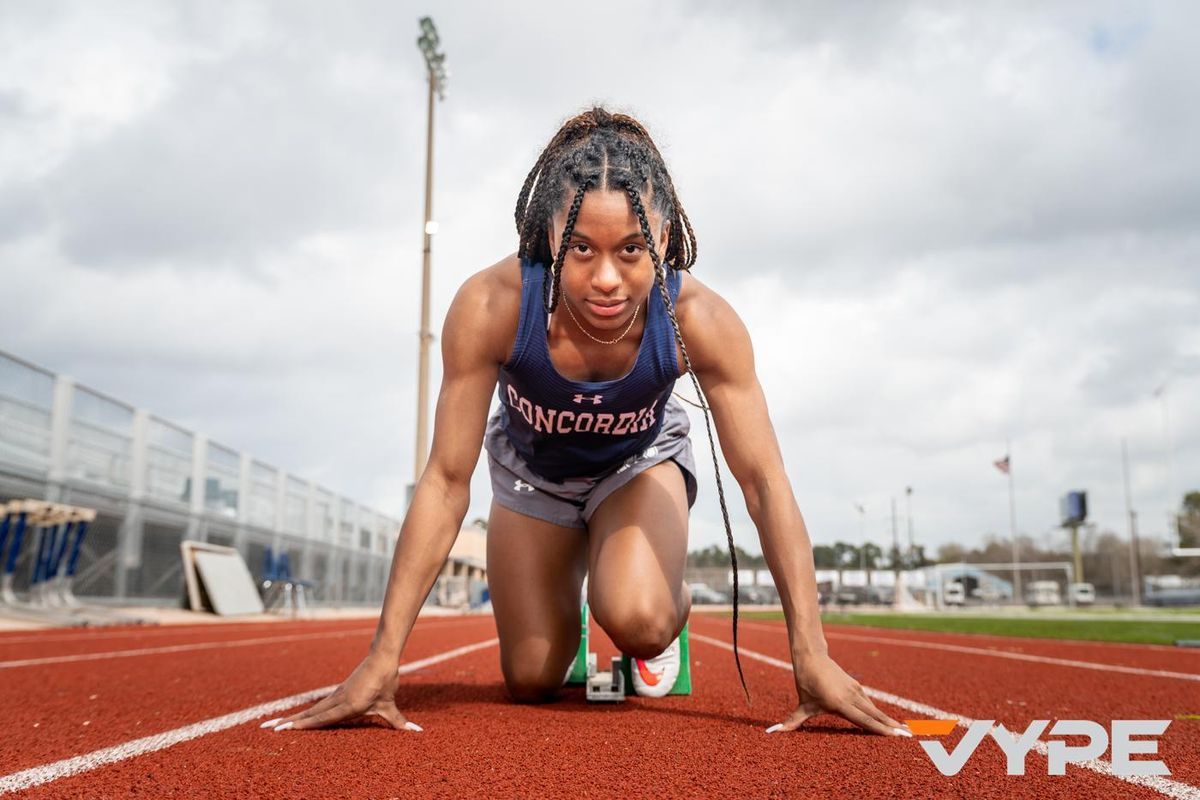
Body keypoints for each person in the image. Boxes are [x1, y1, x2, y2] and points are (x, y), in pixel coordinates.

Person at [263, 107, 910, 737]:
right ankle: (559, 590)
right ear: (549, 236)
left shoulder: (700, 322)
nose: (606, 279)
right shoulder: (492, 305)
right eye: (581, 249)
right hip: (533, 476)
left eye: (631, 249)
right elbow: (445, 480)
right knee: (532, 680)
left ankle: (661, 608)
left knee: (636, 616)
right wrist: (384, 657)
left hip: (637, 464)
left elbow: (764, 481)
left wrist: (811, 650)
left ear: (662, 238)